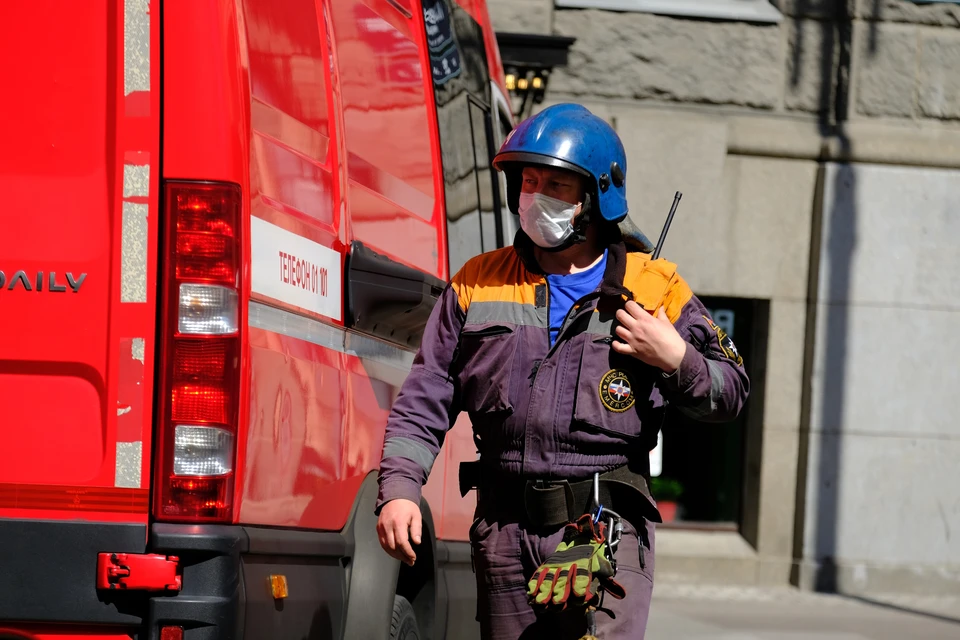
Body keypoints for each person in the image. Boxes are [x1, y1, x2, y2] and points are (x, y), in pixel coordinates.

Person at [375, 103, 750, 639]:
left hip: (604, 531)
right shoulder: (477, 283)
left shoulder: (654, 287)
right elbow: (425, 394)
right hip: (503, 534)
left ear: (597, 196)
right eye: (528, 180)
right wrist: (401, 489)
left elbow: (732, 391)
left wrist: (675, 358)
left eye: (556, 183)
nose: (536, 195)